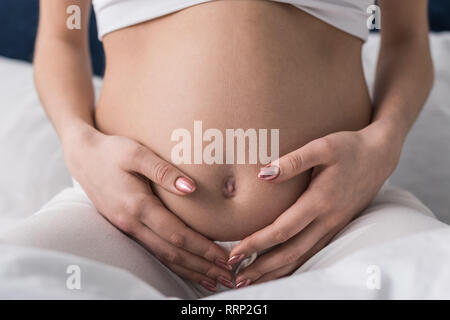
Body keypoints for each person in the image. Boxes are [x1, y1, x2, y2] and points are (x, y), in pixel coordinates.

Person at [0, 0, 439, 298]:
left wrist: (385, 142)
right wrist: (80, 144)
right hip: (119, 228)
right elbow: (61, 37)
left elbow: (405, 40)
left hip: (339, 229)